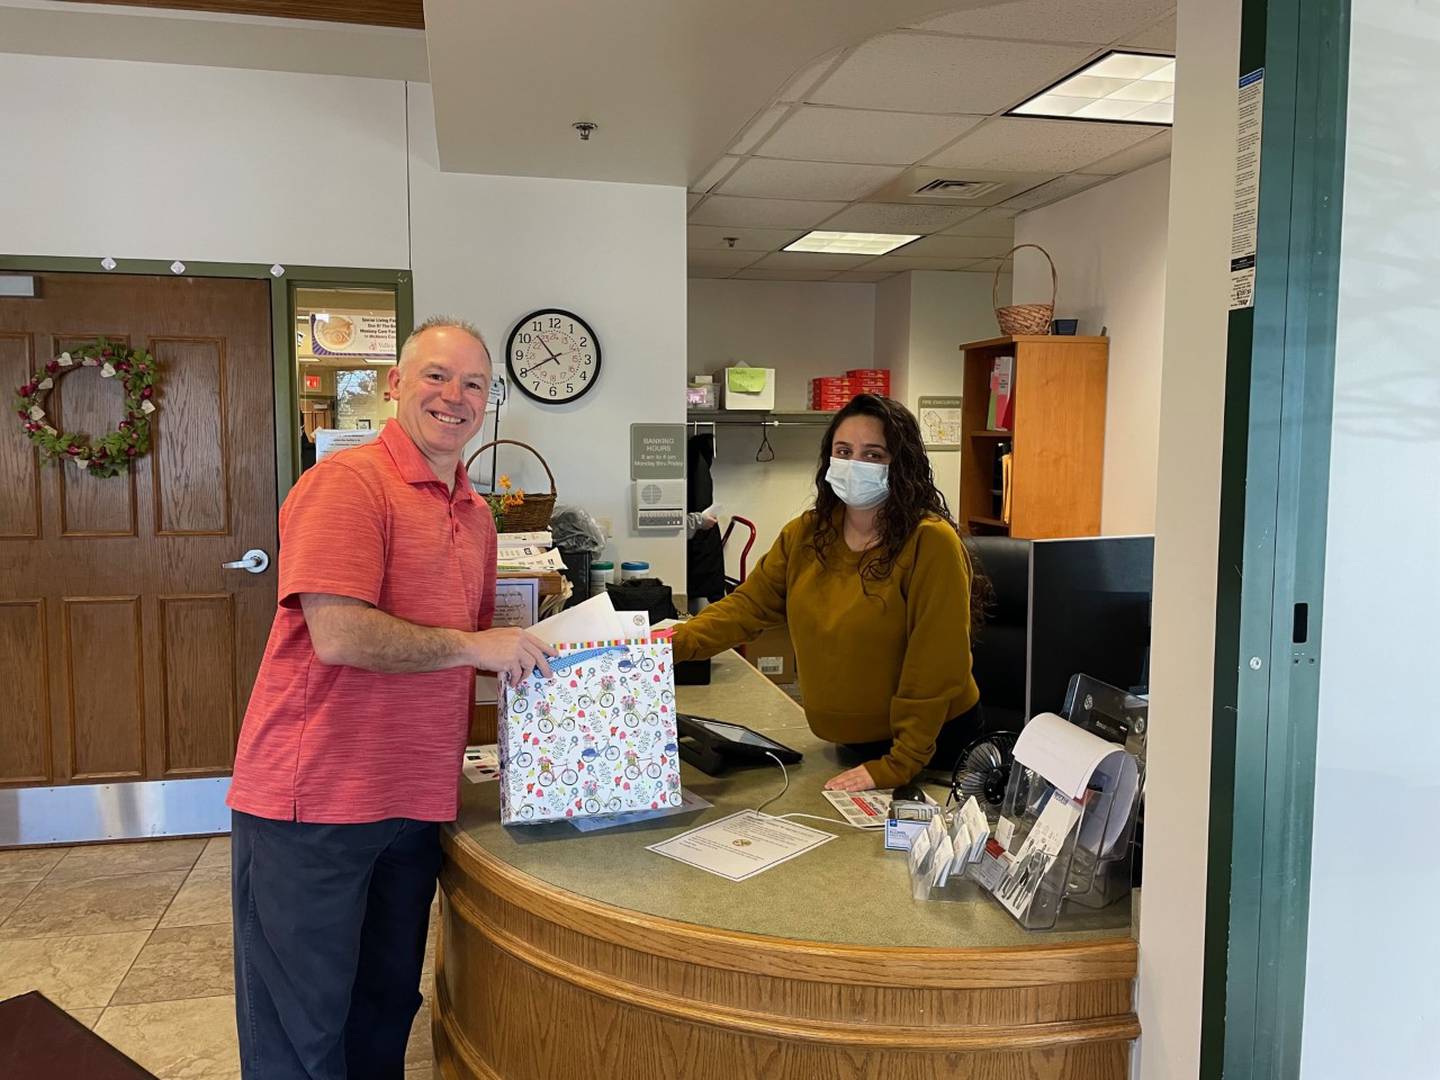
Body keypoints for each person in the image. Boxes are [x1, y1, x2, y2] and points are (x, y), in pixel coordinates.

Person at [226, 317, 557, 1080]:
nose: (456, 396)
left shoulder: (474, 512)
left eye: (474, 383)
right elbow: (340, 634)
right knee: (301, 1033)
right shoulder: (346, 485)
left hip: (414, 805)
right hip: (315, 806)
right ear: (395, 386)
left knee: (382, 1014)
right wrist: (479, 647)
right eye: (437, 376)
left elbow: (471, 642)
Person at [671, 394, 983, 793]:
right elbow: (747, 607)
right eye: (844, 451)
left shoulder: (930, 542)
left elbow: (937, 664)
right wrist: (670, 645)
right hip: (853, 746)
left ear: (901, 465)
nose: (855, 465)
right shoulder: (807, 533)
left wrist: (900, 763)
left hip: (931, 749)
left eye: (873, 455)